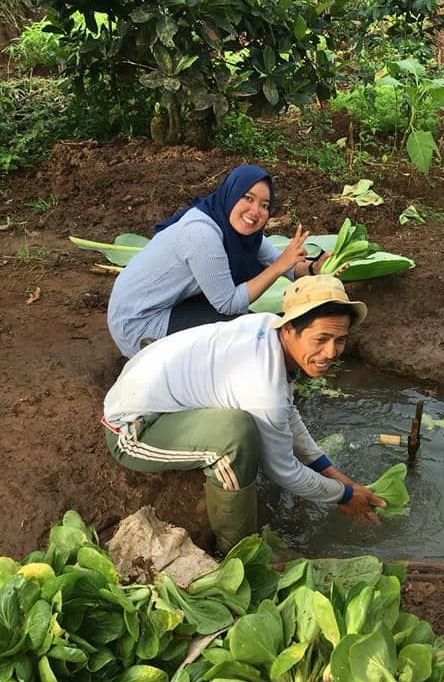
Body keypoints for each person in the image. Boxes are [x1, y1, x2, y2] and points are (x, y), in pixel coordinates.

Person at [102, 275, 385, 552]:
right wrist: (344, 496)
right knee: (233, 440)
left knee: (244, 425)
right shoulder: (262, 384)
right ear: (289, 329)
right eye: (321, 339)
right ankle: (236, 551)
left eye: (340, 340)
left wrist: (331, 471)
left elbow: (287, 411)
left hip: (153, 395)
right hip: (132, 429)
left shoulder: (266, 327)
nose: (331, 352)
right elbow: (282, 470)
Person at [107, 164, 326, 357]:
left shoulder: (240, 231)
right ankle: (157, 358)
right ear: (231, 194)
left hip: (170, 305)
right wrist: (279, 267)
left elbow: (287, 265)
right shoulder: (202, 234)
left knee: (251, 326)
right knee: (249, 335)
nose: (255, 211)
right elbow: (228, 303)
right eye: (248, 198)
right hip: (140, 324)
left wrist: (315, 268)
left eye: (264, 205)